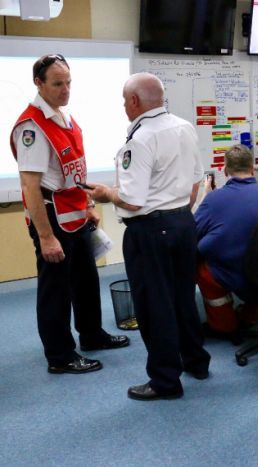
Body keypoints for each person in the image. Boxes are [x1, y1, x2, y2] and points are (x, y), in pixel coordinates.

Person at [86, 72, 210, 400]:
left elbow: (132, 200)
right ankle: (196, 361)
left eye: (125, 101)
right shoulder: (184, 127)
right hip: (184, 224)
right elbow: (197, 180)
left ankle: (165, 382)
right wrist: (178, 210)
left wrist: (106, 194)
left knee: (155, 307)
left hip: (150, 231)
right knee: (183, 298)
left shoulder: (139, 140)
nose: (124, 107)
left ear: (135, 101)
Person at [9, 54, 129, 375]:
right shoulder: (32, 127)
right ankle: (60, 355)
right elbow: (30, 187)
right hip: (52, 219)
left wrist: (89, 206)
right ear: (39, 84)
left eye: (69, 82)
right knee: (56, 290)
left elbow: (74, 171)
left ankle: (91, 334)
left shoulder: (64, 118)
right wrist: (46, 237)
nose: (66, 90)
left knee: (86, 280)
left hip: (76, 214)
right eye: (57, 84)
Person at [194, 145, 258, 334]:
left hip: (232, 273)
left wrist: (205, 197)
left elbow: (193, 233)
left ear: (225, 171)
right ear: (253, 169)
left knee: (200, 266)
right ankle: (253, 314)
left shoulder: (214, 200)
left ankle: (223, 324)